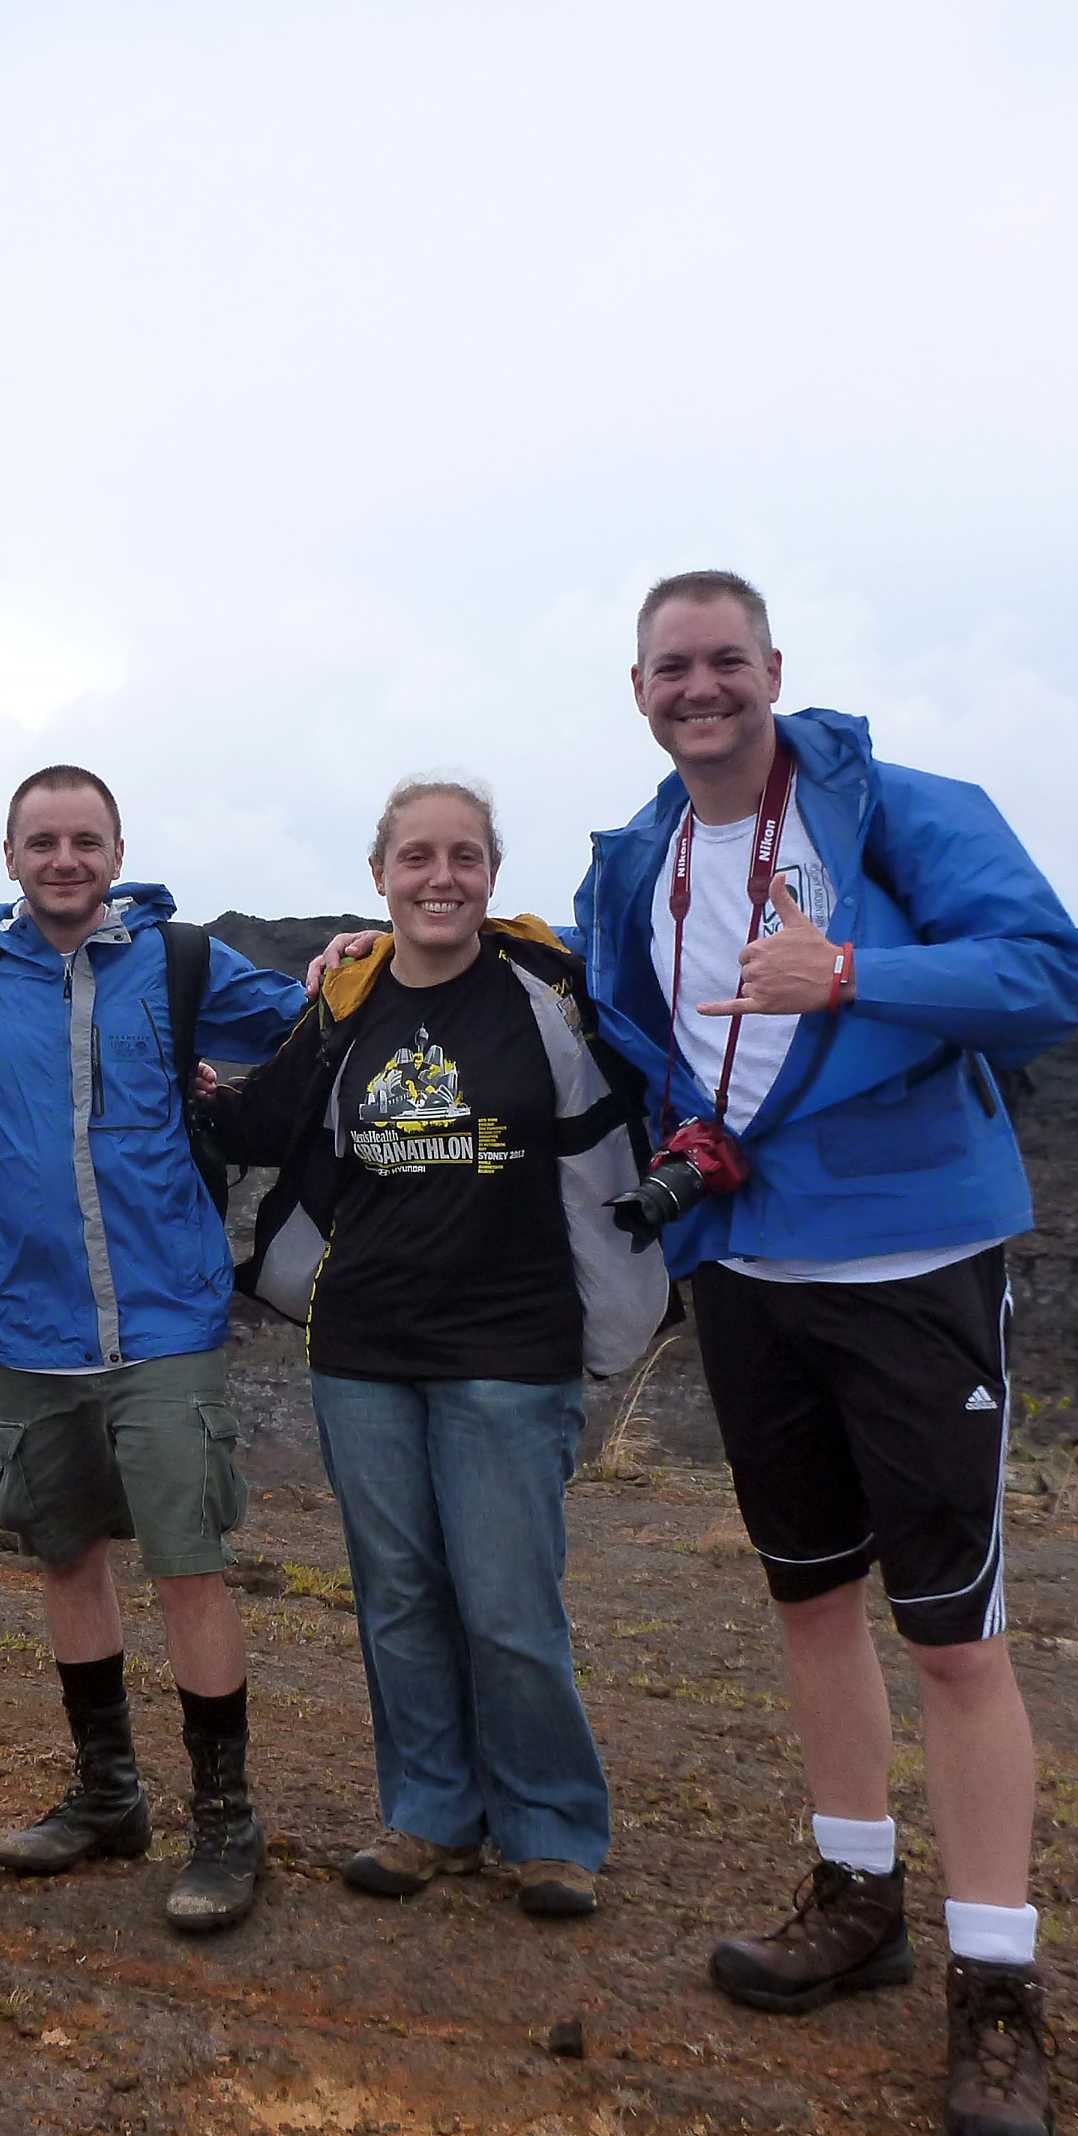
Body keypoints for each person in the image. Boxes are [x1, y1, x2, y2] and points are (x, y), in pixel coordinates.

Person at [578, 571, 1078, 2136]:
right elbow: (645, 1030)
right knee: (808, 1598)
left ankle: (997, 1987)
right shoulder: (639, 862)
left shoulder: (900, 812)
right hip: (746, 1268)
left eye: (725, 660)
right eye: (673, 667)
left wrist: (857, 975)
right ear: (640, 688)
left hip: (911, 1265)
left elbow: (1051, 974)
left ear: (773, 669)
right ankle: (855, 1892)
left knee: (953, 1639)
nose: (700, 688)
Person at [0, 765, 306, 1933]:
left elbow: (313, 1014)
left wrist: (353, 957)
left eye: (84, 839)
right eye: (43, 840)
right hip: (31, 1322)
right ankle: (109, 1794)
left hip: (164, 1315)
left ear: (117, 848)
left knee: (187, 1563)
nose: (65, 858)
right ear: (10, 856)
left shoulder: (183, 964)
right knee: (65, 1555)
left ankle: (225, 1822)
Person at [215, 778, 664, 1924]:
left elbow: (619, 1114)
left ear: (493, 873)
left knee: (510, 1605)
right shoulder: (347, 1000)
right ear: (380, 875)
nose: (440, 878)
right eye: (417, 858)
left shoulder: (544, 994)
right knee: (399, 1597)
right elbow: (266, 1126)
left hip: (512, 1348)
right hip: (362, 1343)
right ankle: (426, 1816)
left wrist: (621, 1319)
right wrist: (180, 1081)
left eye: (464, 857)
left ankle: (550, 1829)